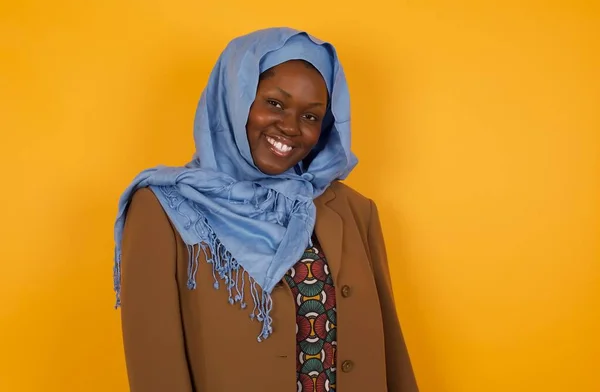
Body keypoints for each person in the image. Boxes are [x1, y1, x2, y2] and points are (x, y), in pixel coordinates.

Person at [112, 27, 418, 392]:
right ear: (234, 99)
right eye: (274, 103)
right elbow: (156, 370)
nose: (290, 128)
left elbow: (389, 347)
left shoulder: (353, 210)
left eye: (311, 116)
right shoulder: (163, 209)